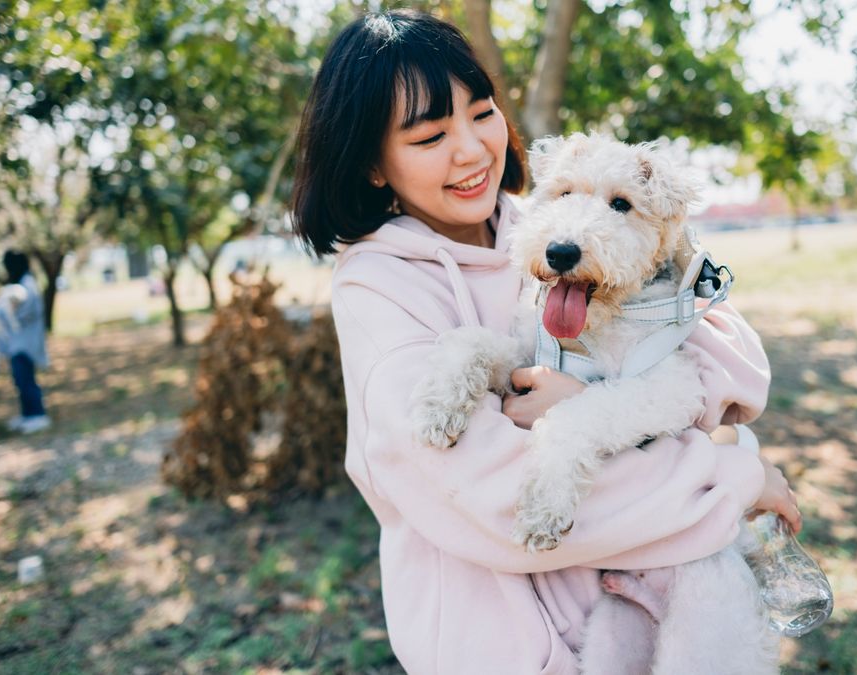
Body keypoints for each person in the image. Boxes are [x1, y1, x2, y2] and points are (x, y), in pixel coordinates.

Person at [290, 10, 800, 674]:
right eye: (429, 136)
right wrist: (731, 478)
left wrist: (611, 398)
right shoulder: (377, 289)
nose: (472, 149)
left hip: (642, 614)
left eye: (482, 112)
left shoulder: (543, 222)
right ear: (373, 165)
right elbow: (487, 493)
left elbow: (727, 371)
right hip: (511, 648)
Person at [0, 250, 51, 434]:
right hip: (18, 342)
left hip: (25, 342)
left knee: (26, 379)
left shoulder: (27, 285)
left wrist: (5, 308)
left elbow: (24, 313)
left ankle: (37, 415)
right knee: (20, 378)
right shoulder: (22, 283)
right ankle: (28, 414)